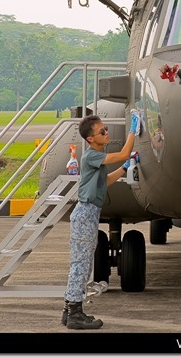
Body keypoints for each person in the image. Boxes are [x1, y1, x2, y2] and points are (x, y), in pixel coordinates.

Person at [62, 111, 140, 329]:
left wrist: (124, 169)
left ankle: (69, 311)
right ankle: (75, 313)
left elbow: (104, 181)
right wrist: (134, 129)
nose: (107, 133)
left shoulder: (95, 158)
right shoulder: (91, 155)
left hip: (88, 212)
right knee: (81, 265)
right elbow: (124, 153)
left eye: (106, 129)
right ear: (90, 139)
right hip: (86, 213)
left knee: (81, 264)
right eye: (102, 132)